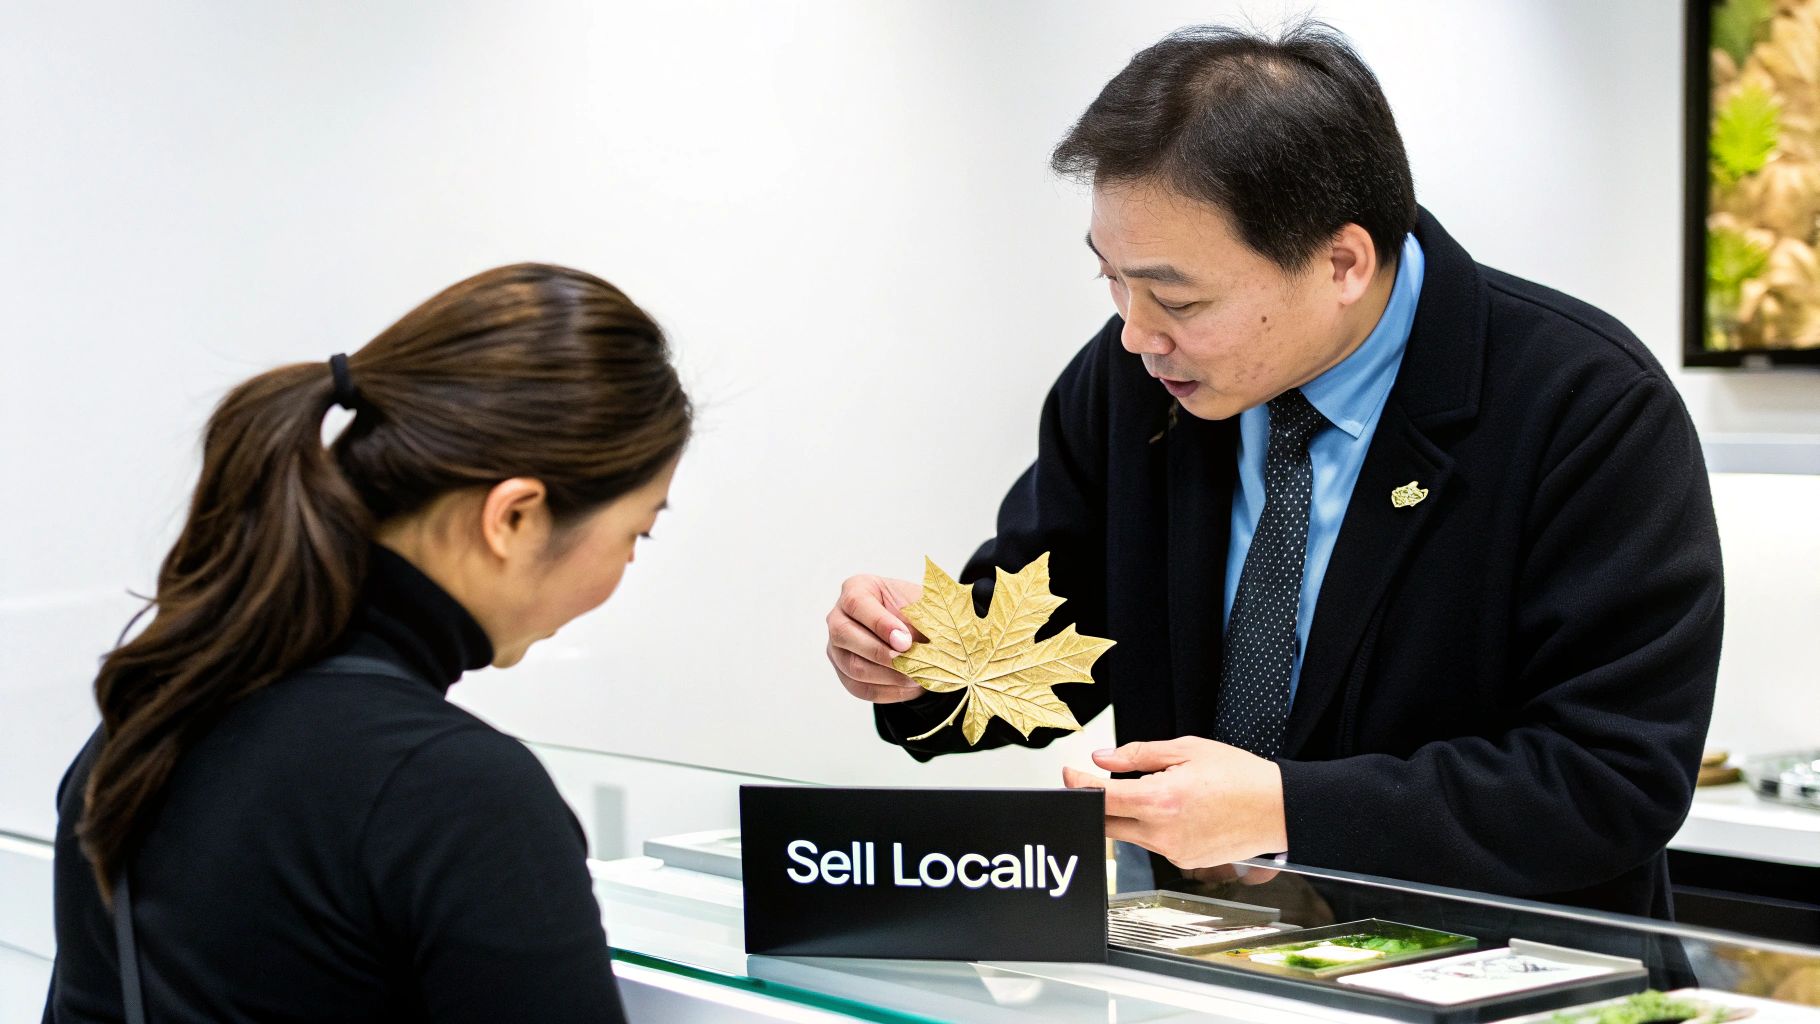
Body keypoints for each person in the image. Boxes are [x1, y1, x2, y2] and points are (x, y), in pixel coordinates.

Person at [826, 22, 1723, 918]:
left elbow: (1610, 779)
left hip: (1496, 971)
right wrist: (926, 661)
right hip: (1200, 958)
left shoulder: (1587, 407)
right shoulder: (1130, 384)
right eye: (1113, 281)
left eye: (1178, 298)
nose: (1137, 333)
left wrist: (1289, 810)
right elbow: (1054, 648)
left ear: (1341, 262)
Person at [44, 264, 690, 1023]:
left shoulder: (147, 725)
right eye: (635, 533)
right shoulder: (456, 795)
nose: (626, 566)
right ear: (513, 516)